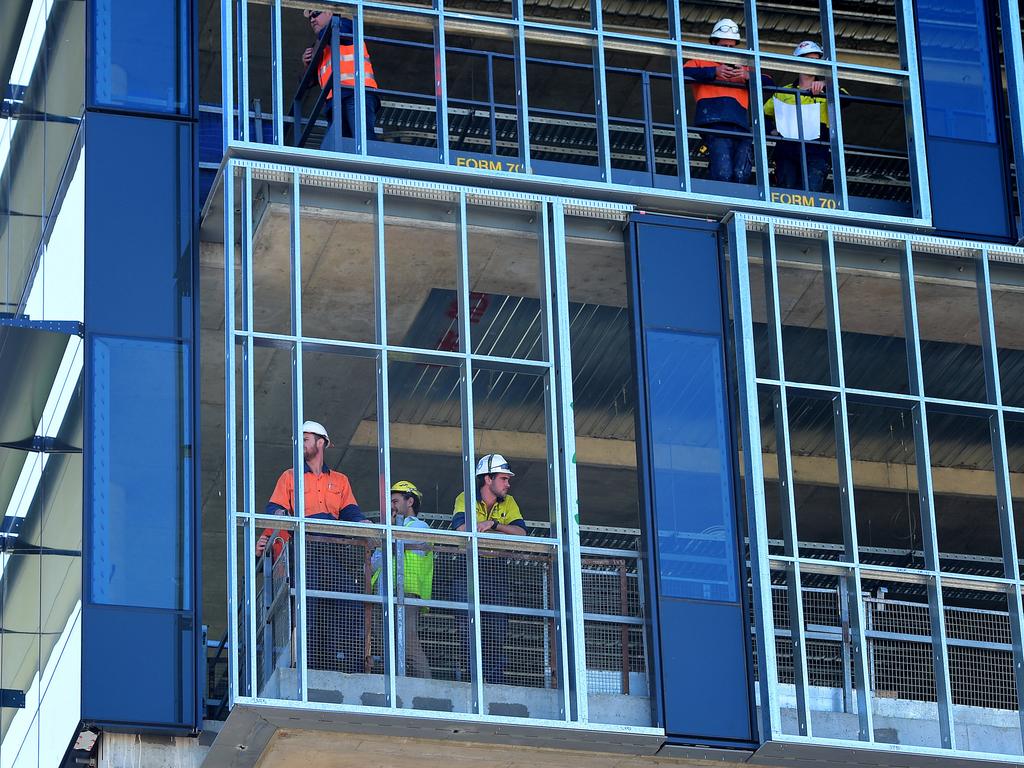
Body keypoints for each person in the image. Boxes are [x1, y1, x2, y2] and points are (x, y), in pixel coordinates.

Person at [256, 419, 367, 673]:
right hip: (304, 552)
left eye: (305, 439)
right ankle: (304, 664)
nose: (300, 444)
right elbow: (274, 510)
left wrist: (364, 523)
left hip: (331, 552)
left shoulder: (340, 480)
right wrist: (280, 518)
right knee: (309, 608)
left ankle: (348, 663)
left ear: (321, 442)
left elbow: (351, 512)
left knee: (349, 601)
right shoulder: (290, 476)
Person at [452, 454, 526, 685]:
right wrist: (500, 532)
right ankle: (471, 681)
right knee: (468, 629)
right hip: (467, 568)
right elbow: (461, 528)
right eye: (504, 479)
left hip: (496, 569)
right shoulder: (466, 497)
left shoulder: (509, 502)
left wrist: (493, 525)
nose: (508, 484)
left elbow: (522, 534)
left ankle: (493, 682)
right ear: (487, 479)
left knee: (496, 629)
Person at [684, 18, 771, 184]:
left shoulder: (743, 67)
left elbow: (769, 83)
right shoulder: (701, 61)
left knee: (740, 174)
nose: (728, 50)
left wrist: (746, 77)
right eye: (724, 46)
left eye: (731, 47)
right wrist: (713, 72)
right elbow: (682, 73)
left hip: (740, 126)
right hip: (714, 124)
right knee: (723, 172)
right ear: (714, 44)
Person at [371, 481, 435, 679]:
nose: (392, 506)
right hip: (385, 593)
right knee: (386, 644)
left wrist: (387, 535)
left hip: (406, 592)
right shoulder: (390, 529)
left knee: (408, 642)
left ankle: (426, 686)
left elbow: (407, 542)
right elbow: (375, 562)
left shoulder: (418, 526)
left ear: (410, 501)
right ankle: (398, 683)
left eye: (395, 501)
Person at [764, 41, 843, 192]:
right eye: (808, 59)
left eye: (816, 61)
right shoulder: (783, 91)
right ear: (797, 62)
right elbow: (763, 114)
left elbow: (846, 100)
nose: (812, 64)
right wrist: (772, 131)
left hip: (816, 151)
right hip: (787, 150)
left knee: (810, 196)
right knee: (786, 193)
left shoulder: (828, 89)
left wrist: (827, 86)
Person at [302, 9, 379, 150]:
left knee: (362, 138)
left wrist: (316, 48)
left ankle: (375, 169)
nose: (312, 20)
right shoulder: (320, 46)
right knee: (337, 146)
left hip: (356, 93)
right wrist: (308, 65)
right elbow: (307, 83)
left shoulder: (345, 25)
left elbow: (332, 32)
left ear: (329, 13)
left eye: (315, 14)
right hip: (335, 101)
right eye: (310, 18)